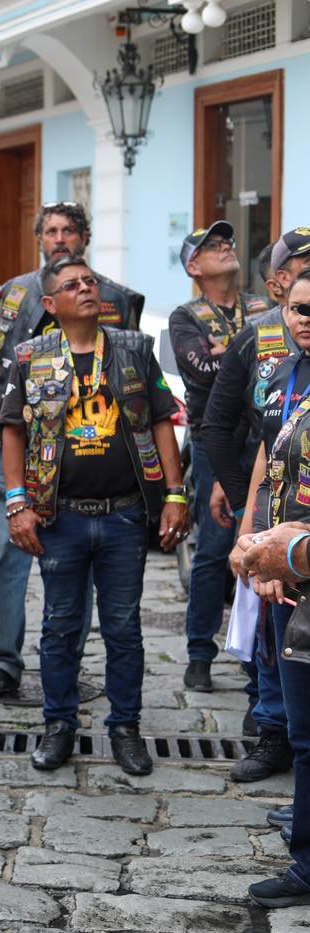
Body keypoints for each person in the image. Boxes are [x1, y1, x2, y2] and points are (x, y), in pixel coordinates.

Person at [0, 255, 186, 776]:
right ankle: (58, 725)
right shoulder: (29, 356)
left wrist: (175, 493)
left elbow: (161, 419)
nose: (85, 289)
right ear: (51, 304)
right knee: (60, 627)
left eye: (90, 282)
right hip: (60, 520)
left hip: (125, 516)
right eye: (72, 285)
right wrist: (18, 505)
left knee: (124, 628)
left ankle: (125, 728)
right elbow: (11, 428)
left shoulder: (132, 350)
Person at [0, 200, 144, 697]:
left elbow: (130, 381)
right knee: (7, 551)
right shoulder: (16, 293)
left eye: (69, 230)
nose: (60, 238)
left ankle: (66, 658)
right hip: (17, 443)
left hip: (85, 449)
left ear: (84, 237)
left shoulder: (114, 297)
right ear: (39, 239)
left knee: (81, 555)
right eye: (50, 231)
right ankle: (3, 661)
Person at [204, 227, 310, 781]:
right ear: (279, 288)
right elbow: (223, 428)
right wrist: (249, 530)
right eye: (298, 302)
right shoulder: (265, 348)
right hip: (270, 517)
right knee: (272, 636)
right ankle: (274, 737)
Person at [168, 221, 273, 693]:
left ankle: (257, 656)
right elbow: (205, 370)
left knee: (264, 544)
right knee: (214, 547)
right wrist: (242, 350)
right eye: (212, 245)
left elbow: (273, 363)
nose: (225, 247)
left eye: (226, 241)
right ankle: (199, 653)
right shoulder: (185, 315)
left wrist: (227, 350)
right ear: (195, 266)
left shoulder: (264, 305)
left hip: (263, 435)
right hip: (215, 442)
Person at [234, 268, 310, 908]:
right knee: (304, 729)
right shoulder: (283, 375)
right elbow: (270, 463)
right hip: (291, 572)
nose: (305, 319)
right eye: (296, 309)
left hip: (303, 557)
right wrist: (254, 544)